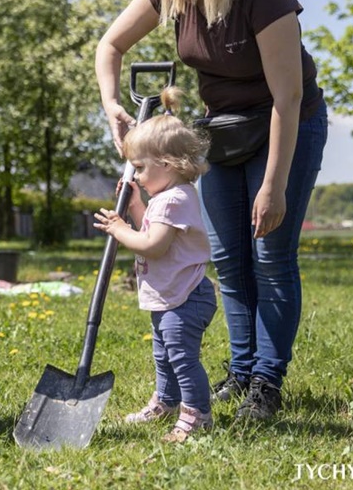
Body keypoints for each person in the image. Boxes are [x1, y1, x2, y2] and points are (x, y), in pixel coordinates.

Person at [95, 0, 328, 420]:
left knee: (270, 255)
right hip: (221, 131)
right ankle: (241, 371)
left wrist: (273, 186)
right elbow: (110, 44)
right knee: (227, 257)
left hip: (283, 124)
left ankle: (266, 384)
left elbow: (287, 100)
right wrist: (111, 104)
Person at [93, 87, 217, 443]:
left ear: (166, 164)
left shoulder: (173, 200)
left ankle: (197, 416)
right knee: (163, 356)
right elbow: (152, 227)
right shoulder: (170, 197)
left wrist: (120, 230)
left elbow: (154, 246)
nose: (136, 177)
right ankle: (166, 401)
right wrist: (134, 208)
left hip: (185, 298)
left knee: (181, 359)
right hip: (173, 295)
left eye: (140, 168)